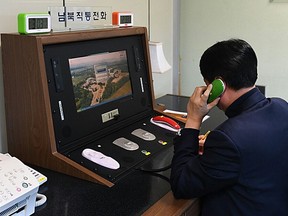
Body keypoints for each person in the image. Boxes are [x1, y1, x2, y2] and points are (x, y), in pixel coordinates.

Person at [170, 39, 288, 215]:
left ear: (219, 85)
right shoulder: (282, 106)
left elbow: (181, 184)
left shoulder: (228, 138)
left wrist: (194, 119)